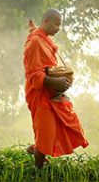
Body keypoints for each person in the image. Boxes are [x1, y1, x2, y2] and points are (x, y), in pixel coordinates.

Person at [23, 9, 88, 169]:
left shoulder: (43, 37)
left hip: (51, 92)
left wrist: (32, 27)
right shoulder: (35, 42)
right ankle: (38, 175)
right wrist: (54, 82)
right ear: (46, 21)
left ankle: (37, 149)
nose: (58, 28)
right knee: (45, 134)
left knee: (66, 125)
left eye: (60, 25)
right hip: (40, 93)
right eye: (56, 24)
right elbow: (32, 74)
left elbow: (35, 32)